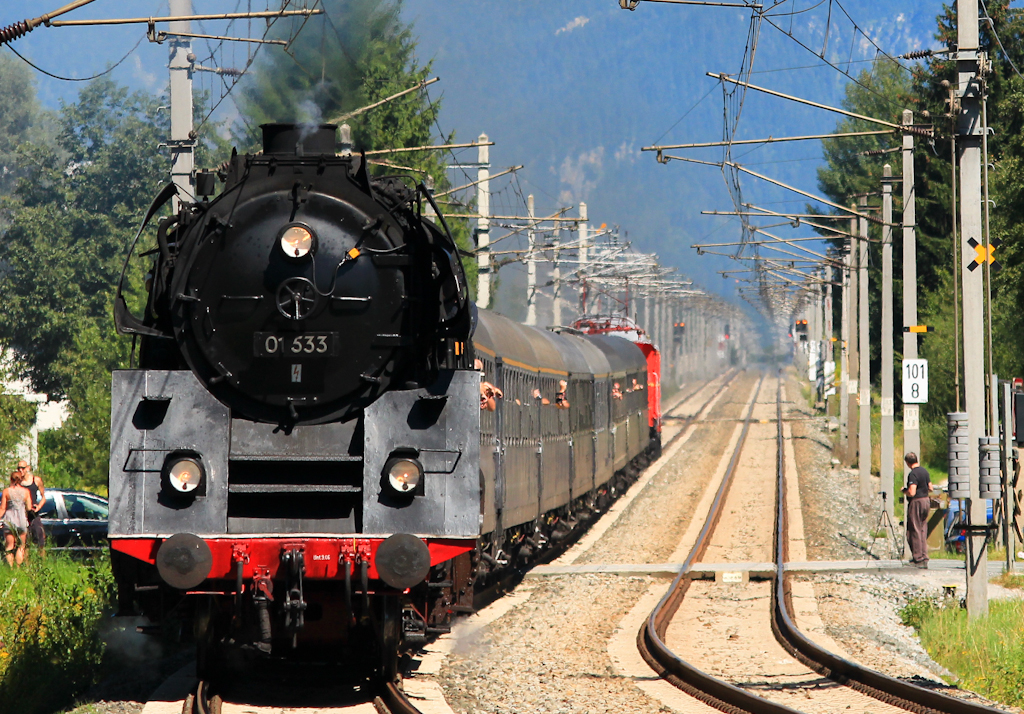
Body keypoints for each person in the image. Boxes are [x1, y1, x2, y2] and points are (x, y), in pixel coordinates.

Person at [902, 452, 932, 568]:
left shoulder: (913, 474)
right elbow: (930, 487)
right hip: (926, 501)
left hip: (917, 502)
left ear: (908, 463)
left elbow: (912, 492)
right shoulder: (925, 471)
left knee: (914, 530)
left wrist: (904, 490)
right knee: (923, 529)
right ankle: (924, 557)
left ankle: (918, 559)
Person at [0, 471, 31, 566]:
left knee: (9, 546)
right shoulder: (26, 492)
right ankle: (18, 568)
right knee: (21, 546)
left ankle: (11, 569)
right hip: (21, 520)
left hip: (9, 520)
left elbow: (2, 508)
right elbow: (29, 507)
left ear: (11, 479)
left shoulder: (6, 491)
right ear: (21, 479)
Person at [18, 461, 46, 554]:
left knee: (40, 542)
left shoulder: (36, 480)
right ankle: (26, 566)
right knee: (25, 543)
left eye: (22, 468)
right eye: (18, 468)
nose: (20, 470)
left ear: (28, 468)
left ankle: (42, 564)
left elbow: (43, 497)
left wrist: (39, 506)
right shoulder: (18, 482)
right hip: (22, 515)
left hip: (34, 514)